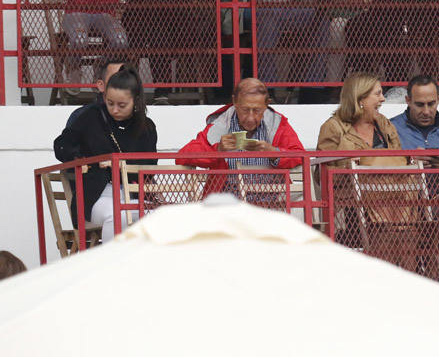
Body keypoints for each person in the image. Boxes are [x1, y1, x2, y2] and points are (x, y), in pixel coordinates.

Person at [53, 68, 157, 241]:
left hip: (134, 193)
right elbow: (62, 145)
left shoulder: (146, 126)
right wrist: (79, 158)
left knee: (158, 216)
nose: (114, 110)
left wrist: (122, 164)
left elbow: (150, 166)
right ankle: (113, 258)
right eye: (110, 103)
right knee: (119, 215)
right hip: (97, 195)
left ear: (136, 101)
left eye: (122, 105)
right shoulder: (91, 117)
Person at [179, 77, 305, 170]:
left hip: (270, 196)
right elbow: (183, 155)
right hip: (228, 196)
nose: (250, 118)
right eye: (245, 110)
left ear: (266, 104)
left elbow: (300, 156)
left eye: (257, 110)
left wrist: (273, 152)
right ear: (235, 102)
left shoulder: (276, 123)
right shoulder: (220, 124)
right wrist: (217, 149)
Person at [317, 72, 407, 167]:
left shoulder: (384, 123)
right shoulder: (332, 127)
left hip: (388, 177)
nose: (383, 99)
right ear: (360, 99)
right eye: (378, 94)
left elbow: (399, 159)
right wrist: (350, 166)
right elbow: (322, 171)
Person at [390, 75, 439, 167]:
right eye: (419, 104)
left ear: (438, 99)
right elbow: (380, 166)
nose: (426, 111)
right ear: (408, 100)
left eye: (431, 104)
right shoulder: (390, 129)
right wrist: (410, 163)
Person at [65, 56, 127, 128]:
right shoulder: (81, 116)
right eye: (115, 79)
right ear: (101, 85)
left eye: (126, 79)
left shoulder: (135, 118)